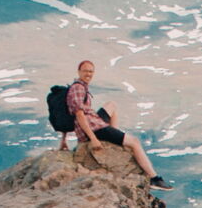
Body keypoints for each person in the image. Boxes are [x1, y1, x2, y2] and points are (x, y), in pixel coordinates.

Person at [66, 60, 173, 191]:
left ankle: (114, 137)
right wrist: (93, 138)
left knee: (111, 105)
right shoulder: (78, 88)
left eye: (91, 71)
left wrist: (63, 140)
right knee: (134, 142)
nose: (88, 74)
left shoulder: (80, 86)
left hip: (94, 122)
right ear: (79, 72)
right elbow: (79, 115)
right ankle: (154, 178)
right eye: (85, 71)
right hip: (94, 128)